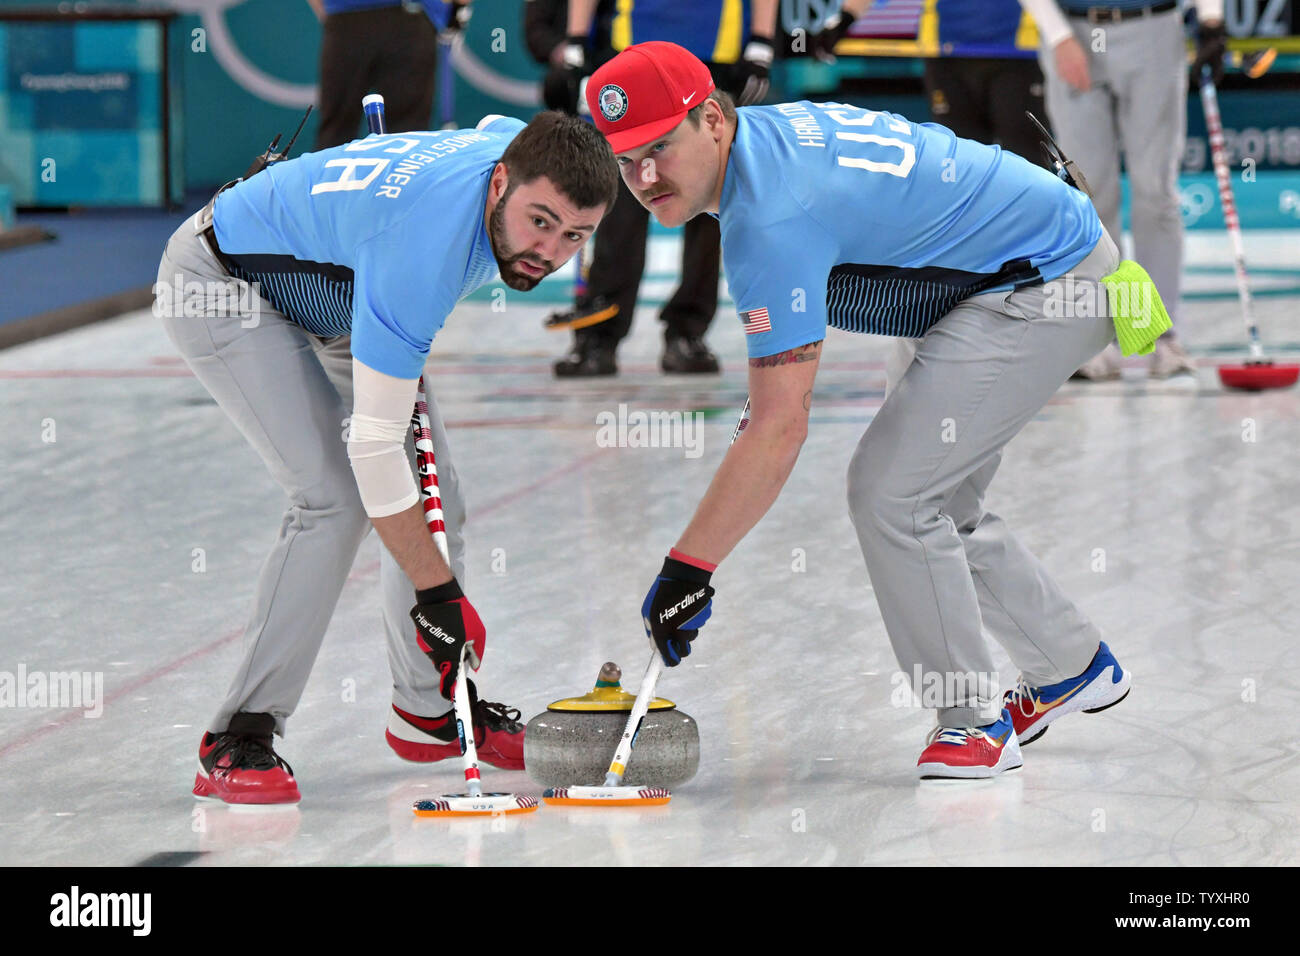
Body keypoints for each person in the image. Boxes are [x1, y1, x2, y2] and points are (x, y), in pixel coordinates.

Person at [589, 42, 1150, 779]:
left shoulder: (771, 218)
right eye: (627, 160)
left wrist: (688, 569)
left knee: (893, 494)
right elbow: (772, 415)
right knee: (936, 498)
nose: (645, 177)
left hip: (1048, 280)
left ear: (713, 122)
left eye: (660, 147)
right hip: (992, 278)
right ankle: (1069, 665)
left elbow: (780, 427)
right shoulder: (765, 153)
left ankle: (973, 723)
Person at [155, 112, 617, 804]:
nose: (548, 251)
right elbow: (372, 451)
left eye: (575, 236)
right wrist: (438, 596)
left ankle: (427, 711)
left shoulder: (517, 150)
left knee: (438, 502)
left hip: (343, 290)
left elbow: (491, 122)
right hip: (226, 283)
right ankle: (238, 731)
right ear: (499, 184)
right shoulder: (422, 255)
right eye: (539, 222)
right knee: (333, 501)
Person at [541, 0, 779, 376]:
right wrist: (575, 39)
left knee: (709, 199)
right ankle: (599, 333)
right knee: (622, 198)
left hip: (715, 53)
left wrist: (762, 40)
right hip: (633, 54)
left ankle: (687, 332)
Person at [1017, 0, 1226, 379]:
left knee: (1155, 189)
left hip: (1154, 25)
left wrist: (1211, 20)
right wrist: (1058, 35)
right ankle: (1100, 338)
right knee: (1089, 194)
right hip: (1075, 28)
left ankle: (1160, 335)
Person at [307, 0, 470, 150]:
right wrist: (456, 7)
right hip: (408, 20)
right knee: (408, 136)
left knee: (336, 134)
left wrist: (333, 17)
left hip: (347, 19)